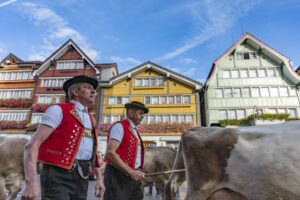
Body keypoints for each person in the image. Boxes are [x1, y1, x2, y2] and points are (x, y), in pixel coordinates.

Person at [21, 75, 105, 200]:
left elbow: (93, 154)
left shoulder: (91, 118)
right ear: (75, 92)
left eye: (94, 89)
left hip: (83, 174)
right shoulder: (58, 110)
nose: (93, 91)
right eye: (88, 88)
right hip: (57, 173)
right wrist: (30, 182)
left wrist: (99, 179)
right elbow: (31, 146)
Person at [104, 101, 149, 200]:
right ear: (131, 113)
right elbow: (110, 153)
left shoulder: (134, 130)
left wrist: (135, 171)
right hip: (118, 176)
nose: (142, 117)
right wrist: (131, 172)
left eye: (143, 114)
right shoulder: (120, 127)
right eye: (140, 113)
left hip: (133, 176)